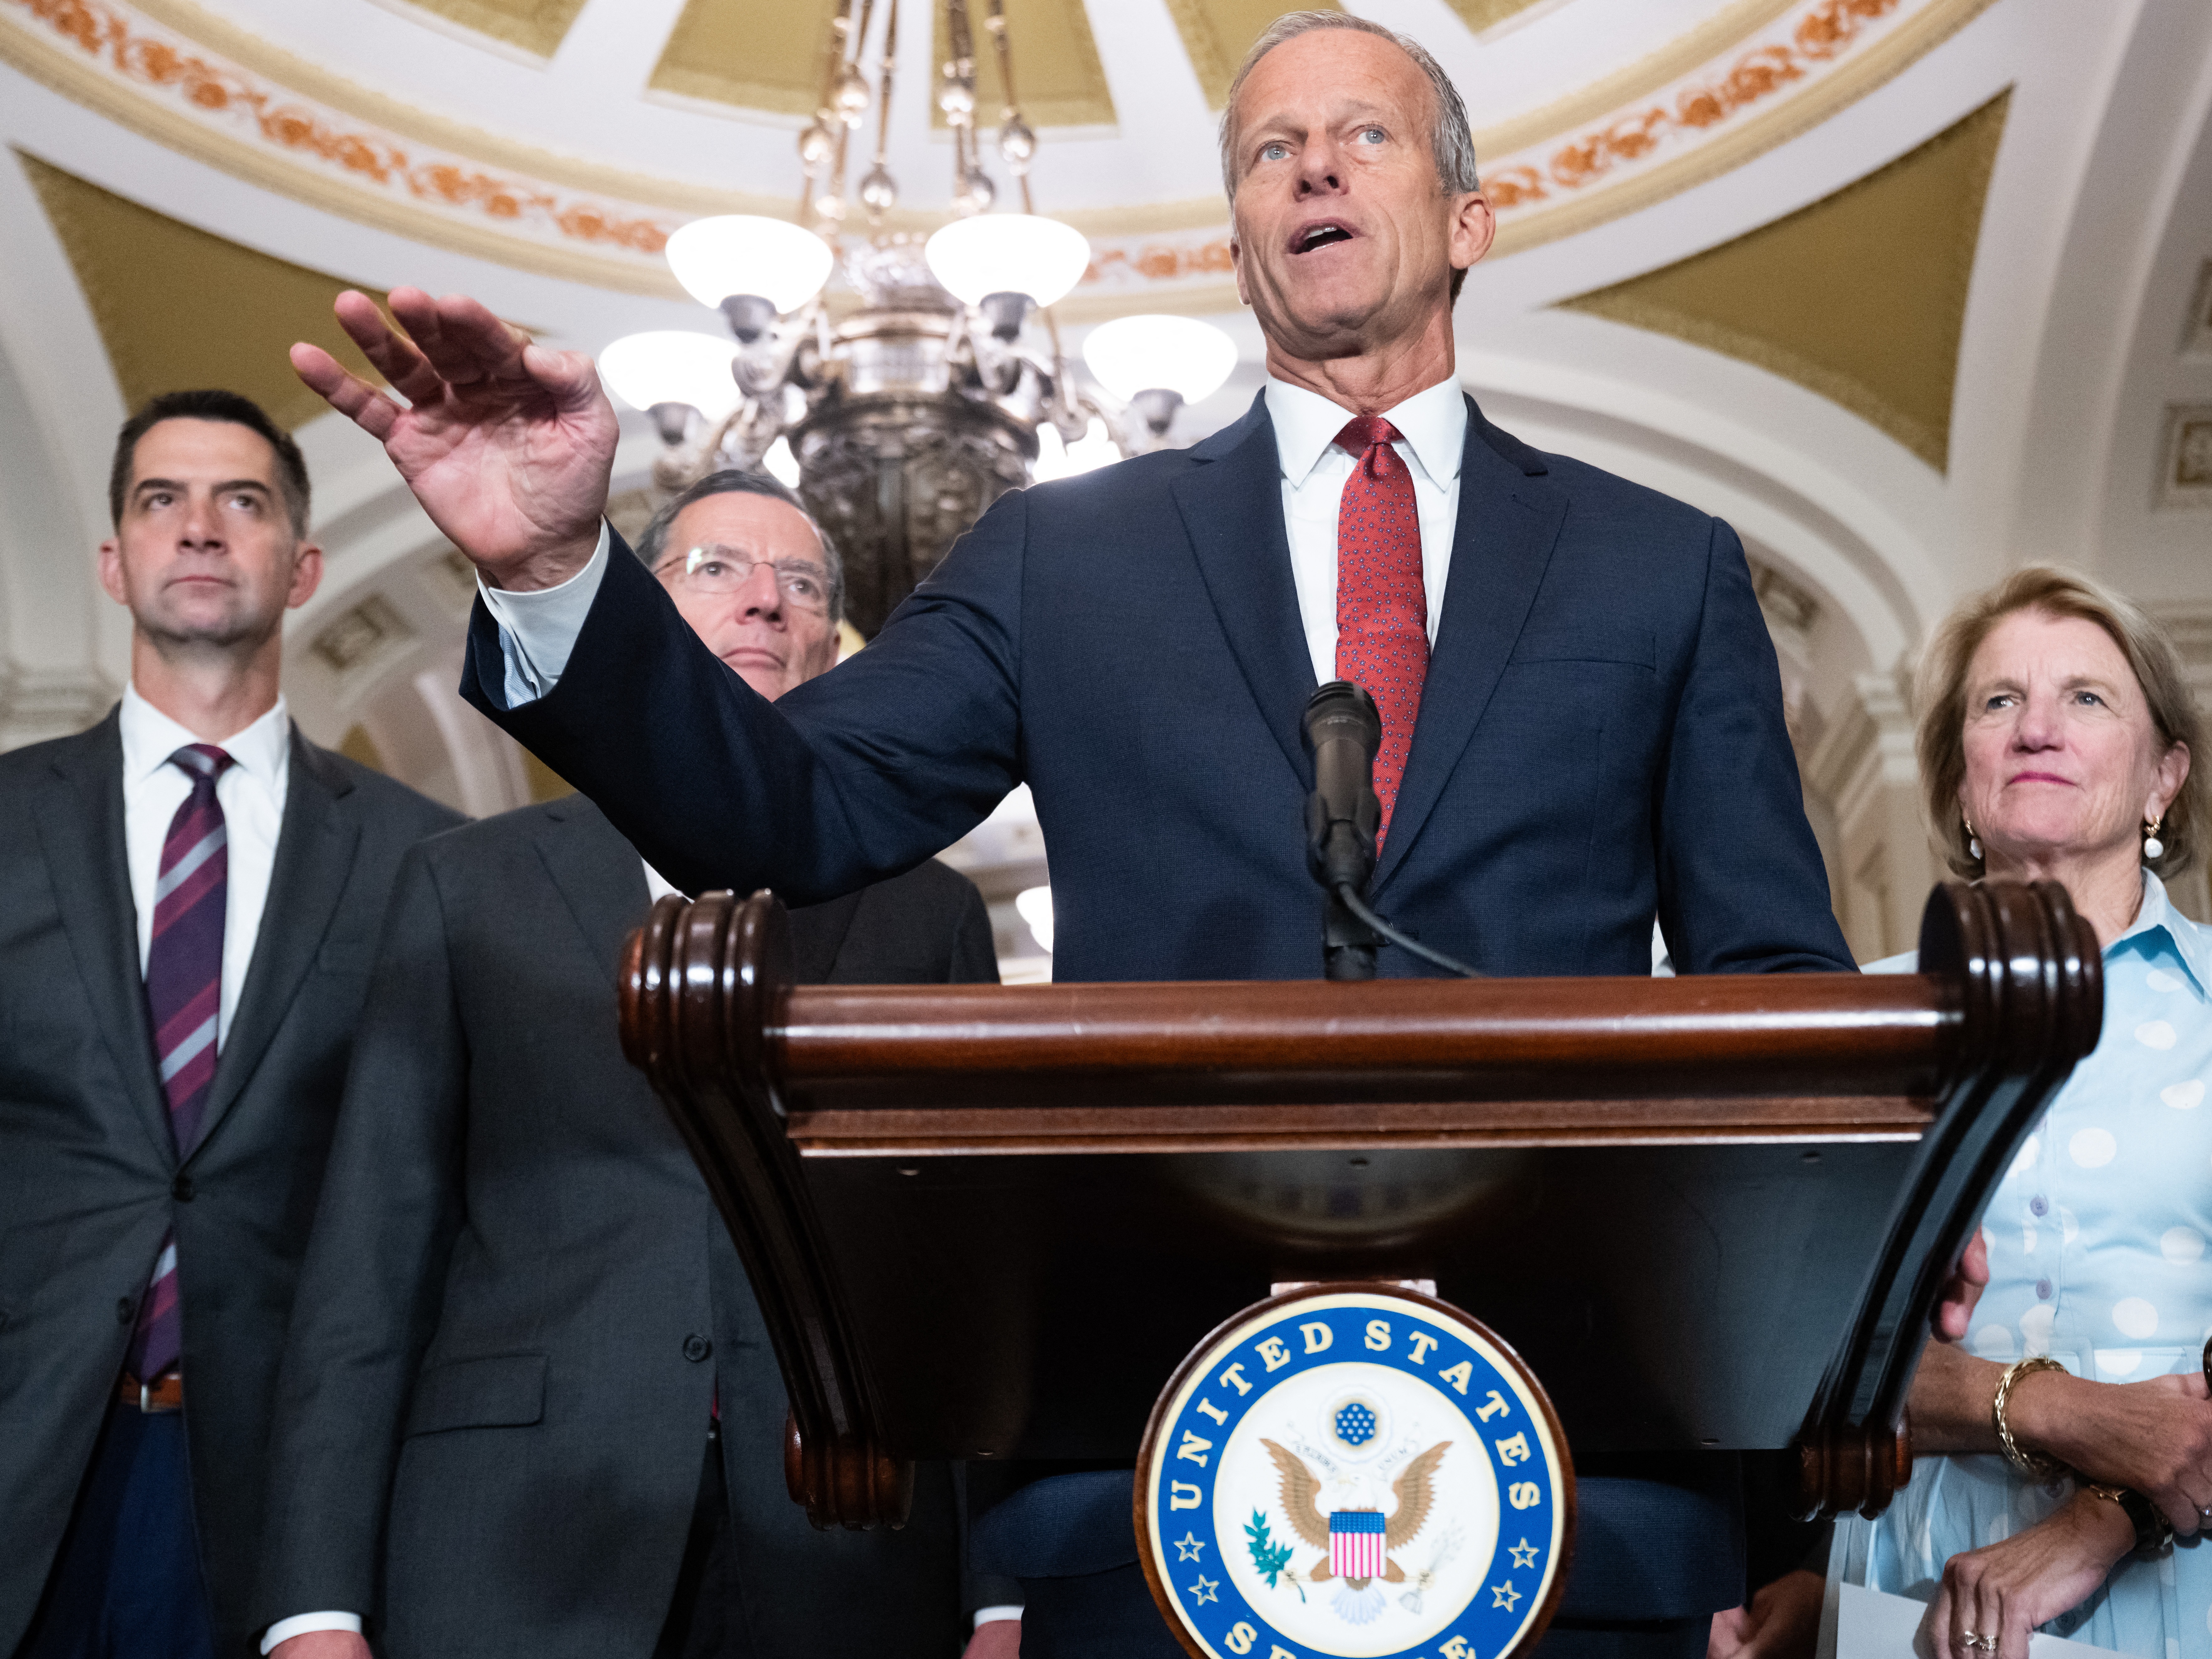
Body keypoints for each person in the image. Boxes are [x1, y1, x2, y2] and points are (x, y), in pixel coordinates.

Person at [293, 12, 1855, 1652]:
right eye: (1269, 149)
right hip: (1158, 1463)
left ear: (1470, 219)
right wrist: (554, 571)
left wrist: (1788, 1419)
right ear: (1242, 239)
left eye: (1364, 136)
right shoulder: (1064, 555)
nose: (1312, 163)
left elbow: (1782, 1004)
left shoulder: (1659, 565)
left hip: (1568, 1450)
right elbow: (783, 808)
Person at [251, 470, 1002, 1659]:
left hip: (847, 1547)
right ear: (639, 614)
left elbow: (969, 1267)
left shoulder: (930, 913)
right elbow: (371, 1250)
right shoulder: (467, 885)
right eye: (717, 570)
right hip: (515, 1538)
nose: (763, 600)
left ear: (829, 640)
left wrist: (999, 1589)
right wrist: (314, 1601)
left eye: (799, 582)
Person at [0, 391, 460, 1659]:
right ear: (114, 561)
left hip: (283, 1494)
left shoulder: (430, 863)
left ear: (304, 565)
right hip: (27, 1456)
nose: (200, 529)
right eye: (163, 501)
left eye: (242, 502)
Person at [1819, 567, 2211, 1659]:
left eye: (2087, 699)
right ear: (1958, 781)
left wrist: (2102, 1522)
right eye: (1998, 703)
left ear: (2162, 778)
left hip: (2189, 1583)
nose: (2036, 727)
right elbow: (1790, 1350)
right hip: (1905, 1600)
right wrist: (2052, 1410)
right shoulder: (1852, 1023)